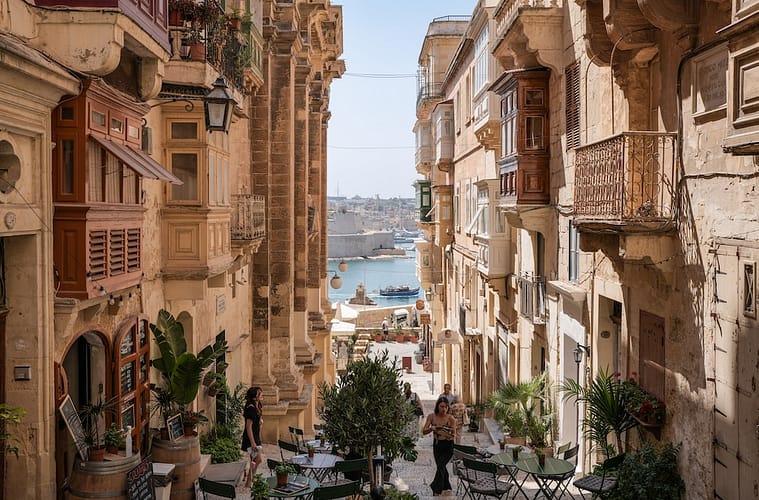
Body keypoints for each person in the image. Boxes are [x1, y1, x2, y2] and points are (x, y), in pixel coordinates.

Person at [423, 397, 457, 496]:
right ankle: (447, 486)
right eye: (442, 406)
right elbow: (424, 431)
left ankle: (436, 488)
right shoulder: (431, 416)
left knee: (441, 465)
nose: (444, 409)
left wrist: (446, 433)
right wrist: (432, 428)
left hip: (448, 446)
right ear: (437, 406)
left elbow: (453, 435)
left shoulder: (451, 418)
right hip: (437, 445)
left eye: (446, 407)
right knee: (441, 467)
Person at [242, 386, 264, 486]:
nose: (262, 394)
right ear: (255, 396)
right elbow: (248, 427)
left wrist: (260, 421)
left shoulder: (257, 405)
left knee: (254, 460)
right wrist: (252, 442)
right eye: (259, 393)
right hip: (251, 437)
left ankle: (250, 481)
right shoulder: (250, 408)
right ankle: (249, 482)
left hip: (255, 436)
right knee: (258, 459)